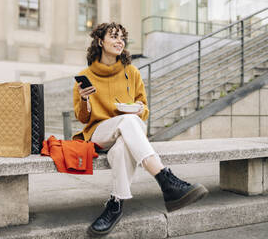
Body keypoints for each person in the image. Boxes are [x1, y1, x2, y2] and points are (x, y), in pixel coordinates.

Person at [73, 22, 208, 236]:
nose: (120, 41)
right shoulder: (85, 75)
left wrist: (138, 109)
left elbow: (144, 107)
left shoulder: (132, 72)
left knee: (122, 146)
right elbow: (82, 118)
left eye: (122, 38)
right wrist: (85, 100)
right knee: (127, 122)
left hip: (129, 132)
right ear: (100, 41)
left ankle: (115, 204)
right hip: (99, 133)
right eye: (114, 36)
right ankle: (165, 179)